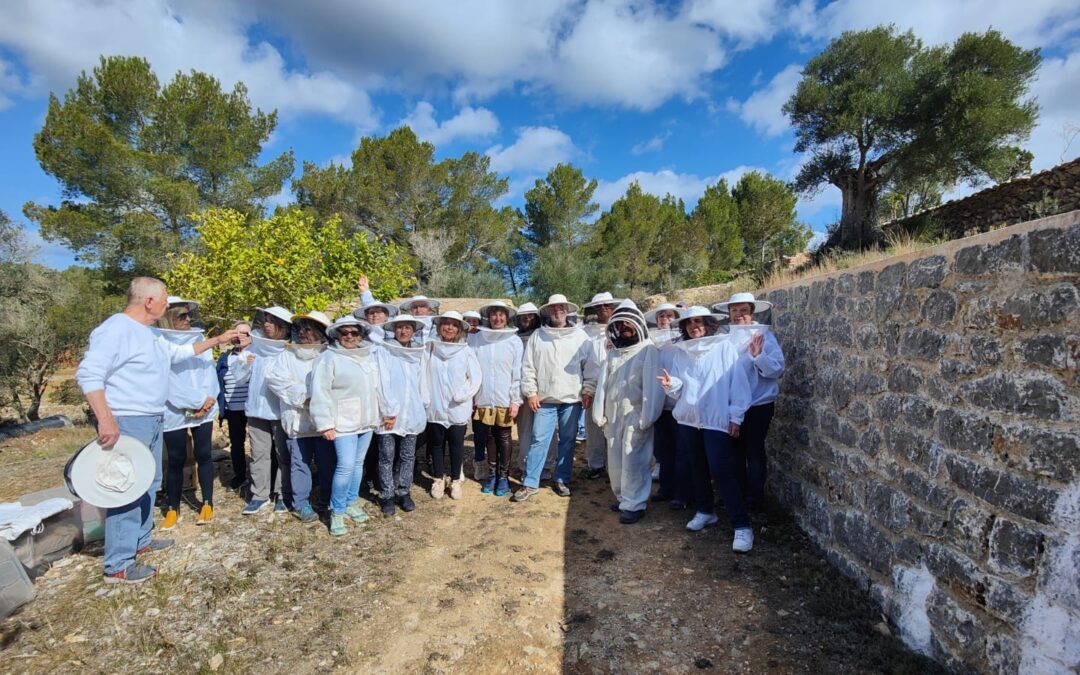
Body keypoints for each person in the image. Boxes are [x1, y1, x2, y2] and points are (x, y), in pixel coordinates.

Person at [75, 277, 237, 584]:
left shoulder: (147, 333)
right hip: (127, 419)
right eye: (164, 299)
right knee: (126, 487)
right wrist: (106, 419)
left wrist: (216, 341)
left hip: (152, 417)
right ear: (148, 300)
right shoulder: (116, 329)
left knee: (149, 481)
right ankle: (119, 564)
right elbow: (89, 373)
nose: (167, 305)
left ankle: (140, 541)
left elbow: (176, 354)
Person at [658, 306, 753, 553]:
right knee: (696, 466)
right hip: (689, 419)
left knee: (721, 469)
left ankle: (742, 526)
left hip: (716, 420)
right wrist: (671, 385)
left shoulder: (724, 348)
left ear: (708, 323)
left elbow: (738, 385)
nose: (693, 326)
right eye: (689, 323)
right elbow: (681, 387)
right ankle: (705, 511)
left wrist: (736, 417)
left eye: (698, 321)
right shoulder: (682, 352)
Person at [514, 294, 597, 502]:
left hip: (572, 399)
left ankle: (562, 479)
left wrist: (588, 390)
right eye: (553, 308)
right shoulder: (538, 336)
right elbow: (528, 367)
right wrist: (531, 392)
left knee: (568, 441)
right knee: (538, 439)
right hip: (544, 400)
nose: (557, 311)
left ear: (567, 310)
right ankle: (530, 482)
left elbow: (590, 367)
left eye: (561, 307)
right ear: (548, 312)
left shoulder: (580, 336)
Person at [712, 292, 784, 515]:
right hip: (733, 406)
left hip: (759, 404)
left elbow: (777, 369)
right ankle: (737, 495)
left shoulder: (764, 337)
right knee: (734, 451)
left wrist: (758, 356)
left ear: (751, 312)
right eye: (734, 310)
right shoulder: (725, 339)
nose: (738, 315)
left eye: (743, 310)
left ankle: (754, 499)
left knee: (753, 451)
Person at [592, 302, 664, 524]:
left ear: (638, 325)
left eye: (628, 324)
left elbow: (654, 388)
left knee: (634, 461)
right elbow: (603, 384)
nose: (624, 328)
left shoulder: (648, 351)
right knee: (615, 461)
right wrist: (599, 414)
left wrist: (647, 417)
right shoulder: (614, 353)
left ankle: (635, 504)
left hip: (635, 414)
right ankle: (624, 497)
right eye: (620, 324)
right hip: (613, 416)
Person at [311, 316, 381, 537]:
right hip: (342, 422)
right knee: (345, 466)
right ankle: (337, 510)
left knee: (358, 464)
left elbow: (376, 388)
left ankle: (351, 502)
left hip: (366, 421)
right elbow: (320, 392)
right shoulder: (328, 358)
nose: (349, 337)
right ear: (337, 335)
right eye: (345, 333)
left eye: (354, 333)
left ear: (361, 335)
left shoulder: (367, 356)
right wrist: (324, 423)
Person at [265, 311, 335, 524]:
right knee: (299, 463)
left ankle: (327, 498)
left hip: (324, 422)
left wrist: (318, 398)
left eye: (309, 329)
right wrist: (306, 396)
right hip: (297, 421)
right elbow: (275, 380)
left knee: (327, 462)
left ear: (320, 332)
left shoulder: (330, 354)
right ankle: (301, 503)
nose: (304, 333)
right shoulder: (286, 356)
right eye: (301, 329)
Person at [157, 298, 220, 530]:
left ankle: (207, 503)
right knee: (175, 460)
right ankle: (172, 509)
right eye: (182, 316)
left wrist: (208, 400)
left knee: (204, 454)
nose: (187, 319)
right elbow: (167, 381)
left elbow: (208, 372)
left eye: (187, 315)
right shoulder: (159, 341)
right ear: (168, 318)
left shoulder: (199, 338)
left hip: (203, 408)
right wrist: (193, 403)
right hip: (174, 410)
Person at [232, 306, 294, 516]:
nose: (266, 324)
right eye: (265, 320)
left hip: (280, 412)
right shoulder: (254, 349)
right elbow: (239, 377)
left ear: (284, 327)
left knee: (283, 455)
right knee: (259, 455)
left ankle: (283, 494)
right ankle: (259, 495)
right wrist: (245, 366)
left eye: (271, 320)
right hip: (256, 412)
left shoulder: (289, 350)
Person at [422, 311, 482, 500]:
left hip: (458, 407)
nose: (449, 327)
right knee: (436, 445)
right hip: (435, 406)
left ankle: (455, 480)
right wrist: (425, 398)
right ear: (440, 327)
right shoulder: (429, 348)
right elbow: (421, 375)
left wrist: (462, 395)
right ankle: (438, 479)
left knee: (457, 445)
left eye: (454, 325)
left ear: (459, 329)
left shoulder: (466, 350)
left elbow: (475, 378)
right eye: (446, 324)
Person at [374, 314, 427, 515]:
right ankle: (387, 495)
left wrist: (423, 407)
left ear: (413, 331)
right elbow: (382, 381)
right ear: (393, 330)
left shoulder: (418, 353)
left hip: (411, 413)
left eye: (407, 328)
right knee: (386, 455)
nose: (403, 331)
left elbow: (422, 383)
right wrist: (389, 411)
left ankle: (404, 491)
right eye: (399, 328)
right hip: (389, 416)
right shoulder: (384, 351)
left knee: (407, 455)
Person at [471, 301, 523, 496]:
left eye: (501, 315)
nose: (498, 318)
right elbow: (472, 369)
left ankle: (504, 476)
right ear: (489, 317)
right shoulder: (478, 339)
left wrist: (515, 400)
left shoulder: (514, 341)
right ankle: (492, 475)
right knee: (489, 436)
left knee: (504, 435)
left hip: (504, 396)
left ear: (506, 317)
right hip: (484, 396)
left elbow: (516, 373)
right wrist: (473, 397)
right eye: (494, 314)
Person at [581, 292, 622, 479]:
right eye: (599, 306)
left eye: (607, 305)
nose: (603, 309)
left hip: (619, 387)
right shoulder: (587, 333)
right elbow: (585, 363)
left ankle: (616, 465)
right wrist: (587, 389)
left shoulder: (624, 327)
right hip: (594, 386)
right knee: (594, 427)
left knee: (616, 428)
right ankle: (596, 464)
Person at [514, 302, 556, 482]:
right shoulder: (514, 339)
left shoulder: (546, 336)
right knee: (525, 430)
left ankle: (547, 465)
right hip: (523, 392)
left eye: (531, 316)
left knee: (547, 431)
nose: (527, 319)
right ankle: (525, 465)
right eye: (523, 316)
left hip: (545, 391)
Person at [644, 303, 681, 501]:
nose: (664, 319)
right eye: (661, 316)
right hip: (659, 404)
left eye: (668, 315)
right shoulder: (650, 341)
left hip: (678, 404)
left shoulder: (683, 341)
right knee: (663, 451)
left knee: (680, 451)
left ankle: (681, 493)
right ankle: (666, 489)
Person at [217, 320, 252, 491]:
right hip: (232, 408)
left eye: (245, 333)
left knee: (260, 444)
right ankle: (240, 475)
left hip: (253, 408)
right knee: (237, 444)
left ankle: (264, 477)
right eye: (237, 333)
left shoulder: (256, 355)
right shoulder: (225, 358)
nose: (241, 337)